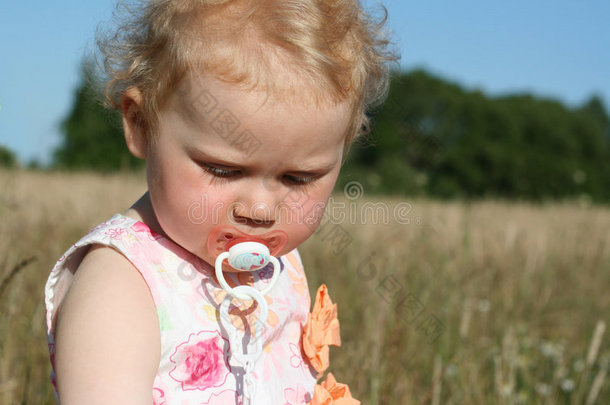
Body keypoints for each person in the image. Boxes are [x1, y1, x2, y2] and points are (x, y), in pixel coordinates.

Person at [44, 0, 394, 403]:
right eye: (224, 170)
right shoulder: (122, 284)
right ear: (142, 125)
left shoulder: (278, 263)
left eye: (298, 178)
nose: (260, 210)